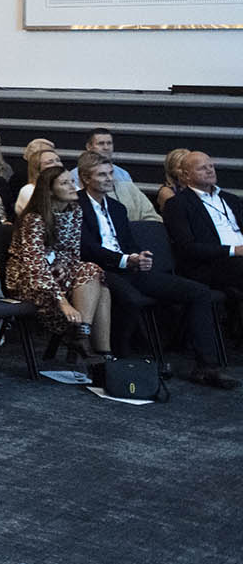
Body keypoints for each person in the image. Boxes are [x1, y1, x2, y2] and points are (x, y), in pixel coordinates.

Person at [75, 153, 235, 389]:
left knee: (199, 292)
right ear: (85, 178)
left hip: (127, 268)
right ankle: (119, 360)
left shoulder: (117, 208)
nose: (109, 179)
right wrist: (125, 260)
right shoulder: (75, 205)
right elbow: (86, 248)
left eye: (110, 174)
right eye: (102, 175)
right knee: (130, 299)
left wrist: (139, 257)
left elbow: (128, 243)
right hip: (97, 270)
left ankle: (206, 367)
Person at [7, 168, 112, 359]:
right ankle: (84, 339)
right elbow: (35, 266)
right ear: (49, 191)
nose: (73, 187)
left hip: (57, 273)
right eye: (64, 183)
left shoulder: (74, 211)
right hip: (29, 281)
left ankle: (98, 349)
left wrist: (62, 266)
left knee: (96, 277)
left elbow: (72, 253)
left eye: (72, 181)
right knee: (94, 278)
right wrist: (62, 302)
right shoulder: (34, 218)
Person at [163, 151, 243, 289]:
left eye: (211, 166)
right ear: (186, 175)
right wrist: (234, 250)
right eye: (202, 168)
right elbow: (187, 247)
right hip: (212, 264)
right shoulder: (178, 204)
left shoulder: (231, 199)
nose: (210, 171)